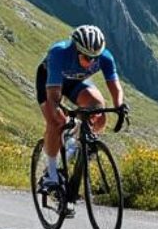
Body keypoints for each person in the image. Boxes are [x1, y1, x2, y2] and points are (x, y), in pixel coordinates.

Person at [35, 26, 126, 193]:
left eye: (95, 58)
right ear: (76, 49)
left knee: (98, 109)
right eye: (87, 57)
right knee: (57, 121)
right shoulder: (59, 53)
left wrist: (119, 106)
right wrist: (65, 111)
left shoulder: (105, 57)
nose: (91, 61)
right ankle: (51, 174)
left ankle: (77, 146)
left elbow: (115, 87)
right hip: (49, 81)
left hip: (75, 82)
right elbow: (54, 95)